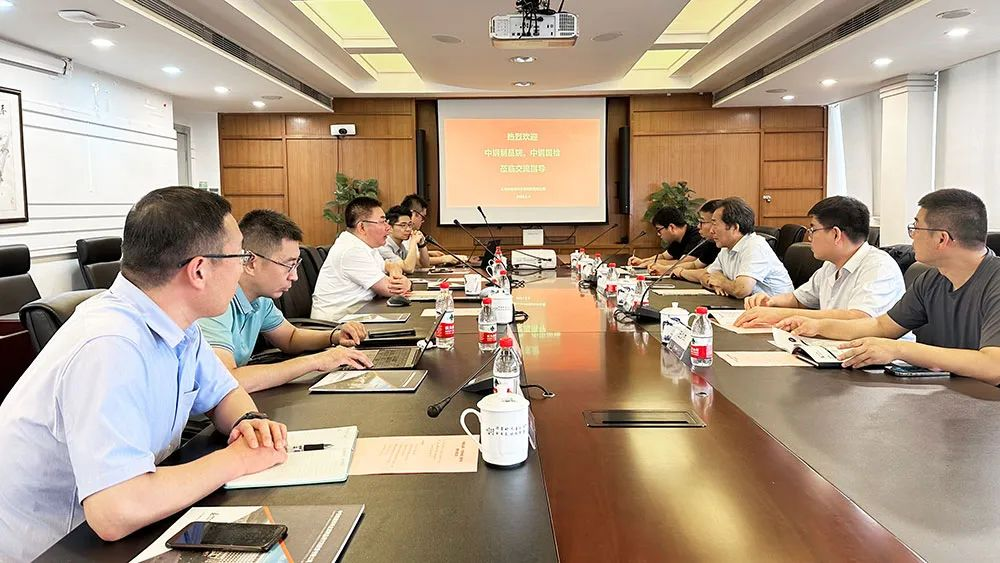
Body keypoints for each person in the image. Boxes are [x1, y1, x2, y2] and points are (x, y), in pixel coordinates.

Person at [0, 187, 289, 561]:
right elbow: (116, 510)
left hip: (128, 527)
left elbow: (223, 392)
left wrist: (247, 421)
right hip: (58, 546)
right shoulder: (109, 345)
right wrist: (239, 459)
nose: (243, 267)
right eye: (239, 256)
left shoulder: (178, 322)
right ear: (199, 270)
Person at [778, 188, 1000, 384]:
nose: (912, 236)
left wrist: (899, 349)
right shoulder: (931, 280)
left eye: (916, 228)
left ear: (942, 239)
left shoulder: (995, 280)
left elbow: (993, 366)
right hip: (947, 394)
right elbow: (882, 326)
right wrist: (818, 326)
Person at [199, 210, 374, 393]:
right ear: (251, 263)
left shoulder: (260, 300)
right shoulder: (215, 302)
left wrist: (334, 336)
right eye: (288, 265)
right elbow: (227, 381)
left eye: (296, 265)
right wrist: (317, 361)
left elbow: (290, 338)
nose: (295, 276)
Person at [735, 196, 904, 327]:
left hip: (880, 359)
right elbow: (799, 300)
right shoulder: (831, 265)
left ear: (836, 234)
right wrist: (770, 302)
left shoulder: (879, 266)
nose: (809, 237)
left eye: (813, 230)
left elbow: (858, 318)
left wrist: (780, 314)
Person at [312, 197, 412, 320]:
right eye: (382, 222)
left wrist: (394, 271)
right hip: (336, 323)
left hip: (359, 314)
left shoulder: (366, 246)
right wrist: (406, 282)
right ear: (362, 227)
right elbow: (391, 290)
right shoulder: (351, 249)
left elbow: (390, 265)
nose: (388, 228)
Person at [691, 197, 793, 298]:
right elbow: (704, 276)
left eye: (715, 224)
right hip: (746, 304)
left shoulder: (755, 246)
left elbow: (741, 290)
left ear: (735, 227)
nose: (711, 231)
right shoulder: (726, 248)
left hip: (776, 306)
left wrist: (721, 282)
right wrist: (715, 284)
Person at [628, 205, 720, 276]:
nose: (698, 226)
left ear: (671, 227)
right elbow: (694, 265)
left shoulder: (698, 236)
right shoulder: (709, 242)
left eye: (659, 230)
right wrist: (643, 261)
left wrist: (663, 267)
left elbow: (687, 263)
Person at [400, 194, 466, 265]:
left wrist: (429, 253)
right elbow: (415, 260)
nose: (423, 221)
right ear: (414, 214)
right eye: (423, 217)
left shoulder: (413, 232)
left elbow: (411, 255)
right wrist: (443, 259)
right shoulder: (402, 232)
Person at [667, 199, 722, 278]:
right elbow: (695, 265)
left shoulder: (726, 247)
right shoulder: (711, 243)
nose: (698, 226)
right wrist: (666, 269)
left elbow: (707, 274)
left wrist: (681, 272)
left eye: (702, 222)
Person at [379, 205, 430, 274]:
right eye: (403, 225)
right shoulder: (383, 247)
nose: (408, 229)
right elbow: (408, 268)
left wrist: (422, 245)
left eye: (409, 225)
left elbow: (425, 265)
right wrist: (413, 242)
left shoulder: (401, 246)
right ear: (389, 227)